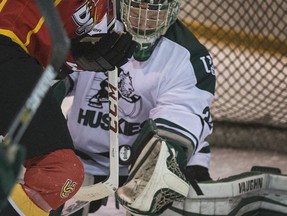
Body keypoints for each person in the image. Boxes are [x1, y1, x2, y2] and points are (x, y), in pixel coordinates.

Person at [52, 0, 216, 215]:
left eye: (154, 13)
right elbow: (51, 77)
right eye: (138, 9)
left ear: (172, 10)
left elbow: (182, 114)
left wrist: (166, 158)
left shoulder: (188, 55)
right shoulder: (91, 27)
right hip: (82, 155)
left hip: (144, 161)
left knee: (162, 185)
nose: (144, 21)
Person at [0, 0, 136, 215]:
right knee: (57, 173)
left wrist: (75, 58)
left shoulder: (104, 8)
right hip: (6, 52)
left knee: (57, 176)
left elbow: (44, 48)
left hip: (16, 62)